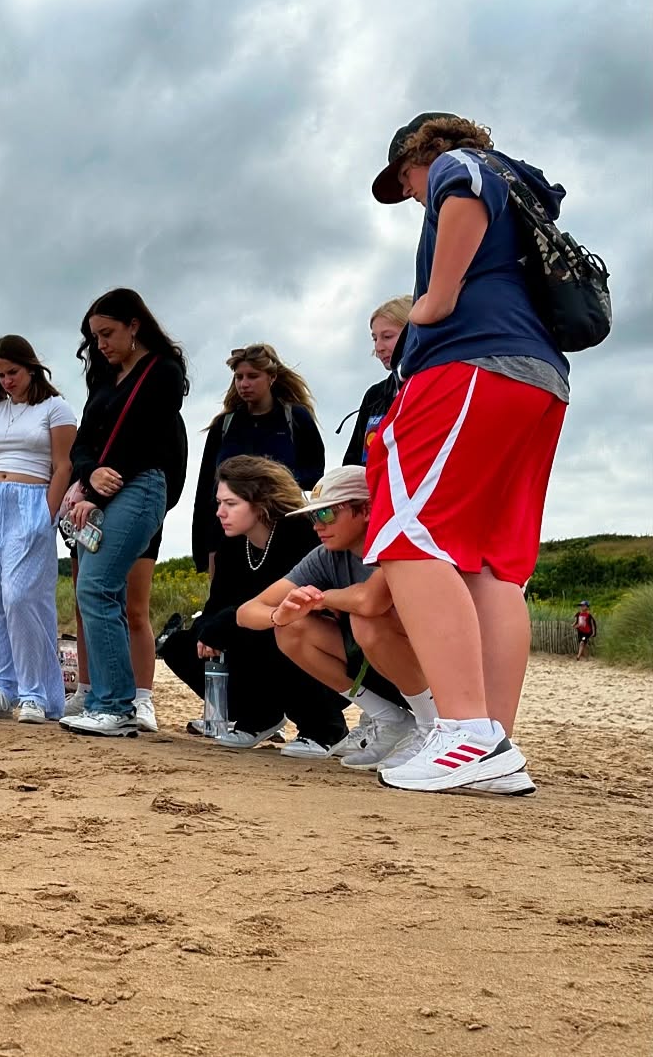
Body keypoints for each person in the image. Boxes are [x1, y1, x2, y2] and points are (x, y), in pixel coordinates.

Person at [366, 112, 571, 794]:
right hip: (536, 378)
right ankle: (490, 743)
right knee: (488, 563)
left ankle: (464, 733)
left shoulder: (463, 165)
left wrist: (431, 302)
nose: (410, 194)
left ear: (419, 156)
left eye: (405, 180)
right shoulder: (522, 188)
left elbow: (460, 193)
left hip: (471, 364)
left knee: (405, 535)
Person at [229, 466, 486, 778]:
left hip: (450, 681)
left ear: (366, 509)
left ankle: (431, 725)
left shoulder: (401, 541)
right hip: (396, 671)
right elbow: (246, 612)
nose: (317, 525)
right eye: (313, 516)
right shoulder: (327, 555)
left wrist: (319, 599)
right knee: (290, 629)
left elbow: (369, 601)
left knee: (368, 621)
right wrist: (279, 614)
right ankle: (390, 719)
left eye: (326, 514)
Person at [59, 289, 189, 738]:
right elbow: (82, 444)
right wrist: (89, 475)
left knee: (97, 587)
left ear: (135, 325)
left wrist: (96, 489)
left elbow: (144, 437)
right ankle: (105, 702)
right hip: (103, 488)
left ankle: (115, 704)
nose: (100, 345)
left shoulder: (163, 371)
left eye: (107, 333)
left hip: (141, 485)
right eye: (94, 337)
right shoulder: (105, 378)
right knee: (98, 591)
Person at [160, 456, 348, 756]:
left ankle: (325, 726)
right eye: (219, 503)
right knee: (182, 644)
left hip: (320, 645)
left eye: (231, 504)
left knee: (275, 629)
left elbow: (293, 601)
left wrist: (225, 623)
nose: (220, 512)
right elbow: (217, 603)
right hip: (253, 631)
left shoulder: (299, 533)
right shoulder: (232, 545)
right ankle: (259, 716)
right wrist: (207, 631)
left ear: (261, 503)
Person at [0, 335, 77, 724]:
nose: (7, 380)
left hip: (31, 501)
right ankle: (2, 686)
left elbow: (63, 465)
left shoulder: (55, 408)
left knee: (22, 596)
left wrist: (47, 514)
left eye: (13, 372)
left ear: (31, 368)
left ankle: (35, 693)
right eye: (0, 374)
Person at [192, 344, 323, 574]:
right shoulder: (224, 425)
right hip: (226, 537)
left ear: (271, 377)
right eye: (239, 377)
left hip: (284, 533)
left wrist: (266, 487)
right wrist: (203, 547)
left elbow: (314, 475)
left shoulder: (295, 418)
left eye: (253, 376)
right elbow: (206, 488)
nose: (244, 384)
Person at [341, 296, 412, 466]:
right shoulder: (375, 396)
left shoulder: (436, 387)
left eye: (387, 336)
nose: (379, 347)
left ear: (413, 334)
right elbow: (353, 462)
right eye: (375, 338)